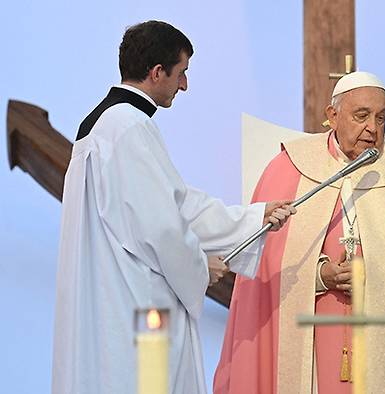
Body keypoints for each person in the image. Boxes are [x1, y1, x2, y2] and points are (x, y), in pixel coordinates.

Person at [52, 20, 295, 394]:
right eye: (181, 73)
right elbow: (161, 228)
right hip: (136, 307)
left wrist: (253, 217)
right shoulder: (128, 127)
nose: (184, 85)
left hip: (110, 302)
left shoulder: (105, 124)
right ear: (156, 72)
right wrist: (200, 267)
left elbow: (175, 202)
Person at [214, 71, 385, 394]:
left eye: (381, 117)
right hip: (312, 339)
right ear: (332, 115)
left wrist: (379, 273)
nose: (373, 128)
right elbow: (265, 261)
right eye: (361, 116)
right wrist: (320, 275)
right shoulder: (288, 167)